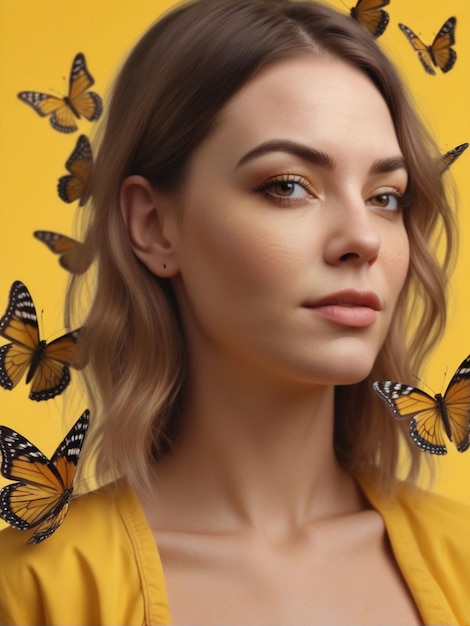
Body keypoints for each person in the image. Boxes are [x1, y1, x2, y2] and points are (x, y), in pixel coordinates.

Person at [1, 0, 469, 623]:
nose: (364, 238)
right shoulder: (32, 589)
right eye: (287, 185)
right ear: (154, 226)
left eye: (386, 197)